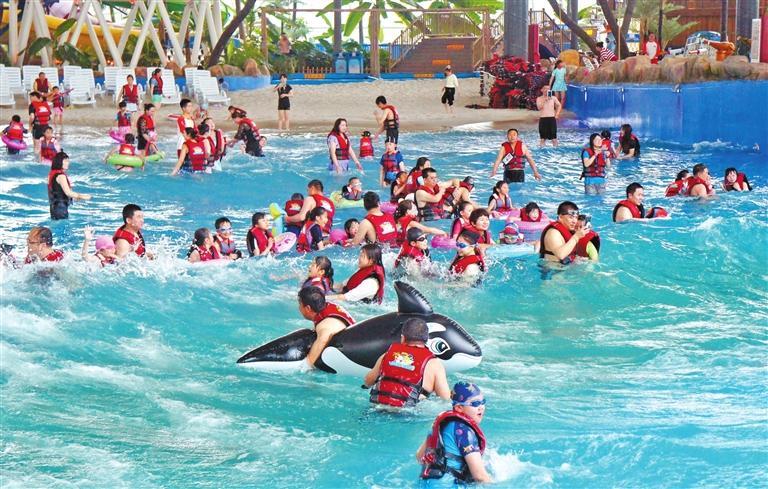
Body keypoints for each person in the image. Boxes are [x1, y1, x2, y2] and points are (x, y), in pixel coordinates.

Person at [417, 381, 492, 484]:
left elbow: (419, 456)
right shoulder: (464, 432)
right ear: (459, 408)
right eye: (475, 403)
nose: (481, 407)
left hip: (427, 483)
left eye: (483, 402)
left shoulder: (439, 424)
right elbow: (480, 476)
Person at [365, 317, 451, 407]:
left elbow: (368, 381)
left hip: (378, 408)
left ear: (403, 338)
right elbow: (445, 399)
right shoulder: (434, 364)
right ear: (426, 340)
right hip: (407, 412)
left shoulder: (387, 355)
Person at [298, 286, 355, 369]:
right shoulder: (330, 306)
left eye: (300, 304)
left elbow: (323, 340)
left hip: (353, 353)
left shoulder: (325, 325)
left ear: (308, 308)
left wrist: (307, 365)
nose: (299, 308)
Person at [48, 151, 91, 220]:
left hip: (53, 208)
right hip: (61, 209)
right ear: (59, 162)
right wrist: (82, 196)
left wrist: (75, 197)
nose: (68, 163)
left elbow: (57, 191)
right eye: (65, 161)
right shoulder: (61, 176)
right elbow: (68, 192)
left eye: (68, 161)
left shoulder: (52, 174)